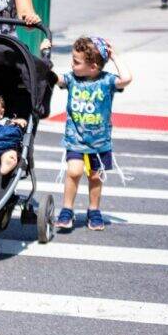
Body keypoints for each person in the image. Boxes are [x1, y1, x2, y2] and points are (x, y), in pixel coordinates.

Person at [43, 37, 133, 231]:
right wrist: (45, 55)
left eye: (76, 62)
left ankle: (94, 210)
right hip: (75, 138)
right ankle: (67, 209)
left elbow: (126, 79)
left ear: (93, 67)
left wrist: (114, 57)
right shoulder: (71, 79)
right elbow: (53, 77)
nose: (72, 64)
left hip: (99, 142)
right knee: (74, 172)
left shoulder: (107, 81)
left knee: (94, 177)